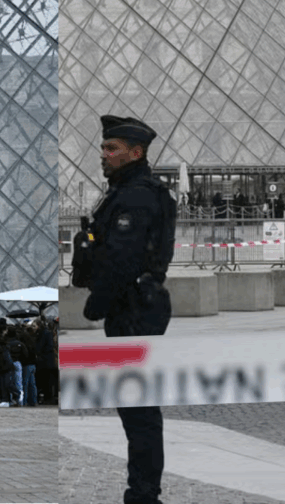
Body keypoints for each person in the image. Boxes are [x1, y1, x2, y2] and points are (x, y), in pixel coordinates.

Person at [82, 115, 175, 504]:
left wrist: (94, 306)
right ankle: (142, 491)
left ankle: (143, 494)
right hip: (135, 307)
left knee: (139, 412)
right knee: (137, 409)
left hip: (133, 309)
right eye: (104, 147)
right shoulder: (128, 190)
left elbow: (123, 260)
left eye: (111, 149)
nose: (104, 155)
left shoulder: (135, 196)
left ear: (135, 153)